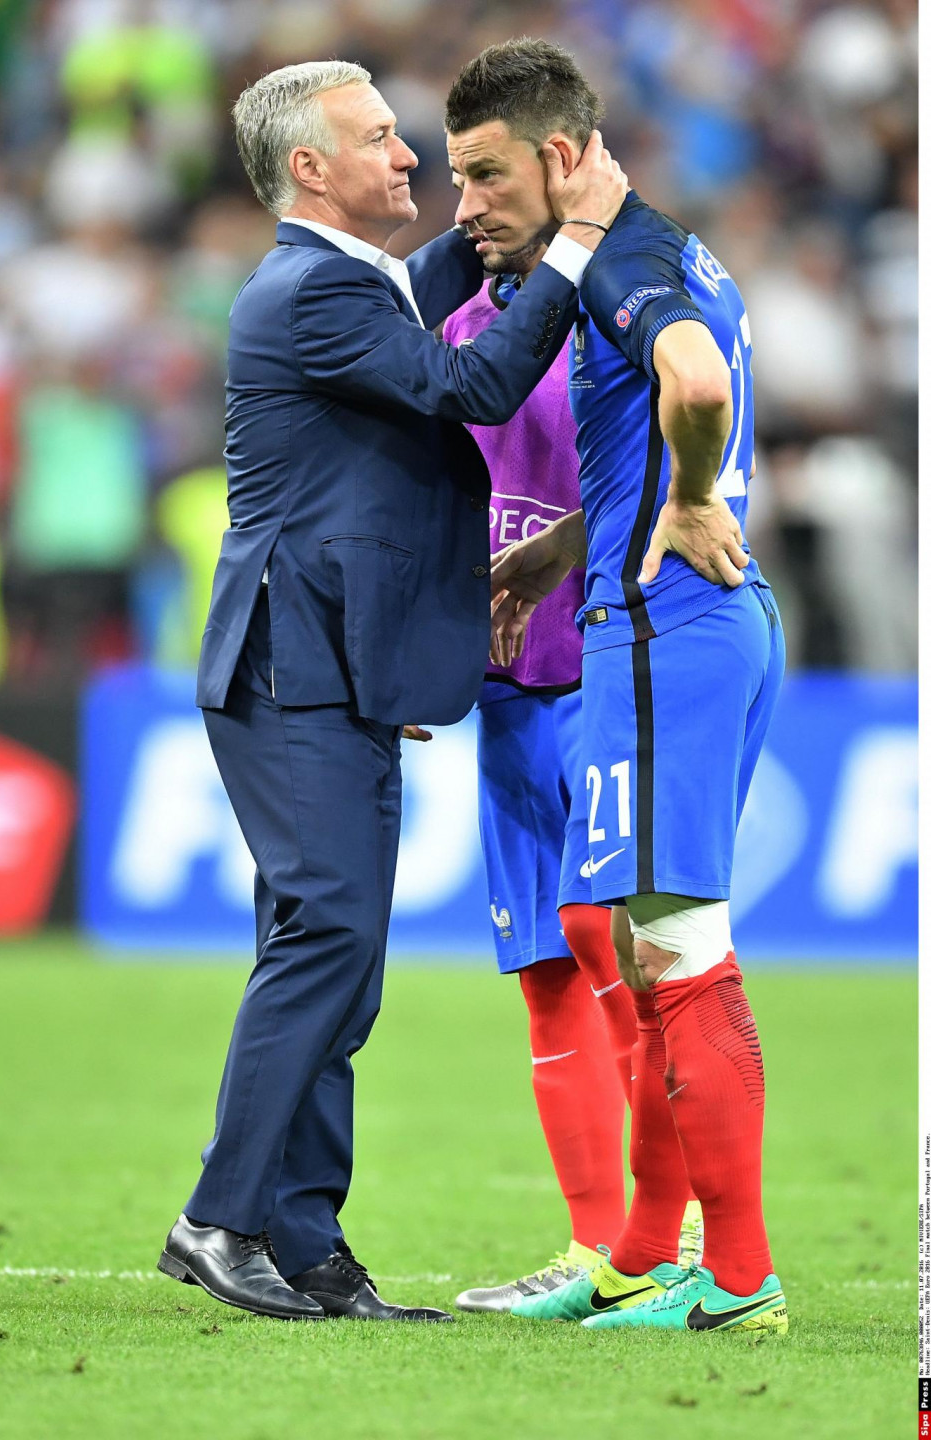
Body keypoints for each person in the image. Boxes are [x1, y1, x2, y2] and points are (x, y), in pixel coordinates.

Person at [156, 58, 628, 1324]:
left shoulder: (348, 283)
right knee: (327, 940)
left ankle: (306, 1244)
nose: (410, 154)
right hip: (291, 665)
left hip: (334, 668)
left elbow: (441, 282)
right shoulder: (313, 291)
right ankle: (220, 1218)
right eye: (380, 138)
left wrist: (523, 202)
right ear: (311, 169)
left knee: (335, 959)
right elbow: (474, 384)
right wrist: (580, 239)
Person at [459, 39, 788, 1335]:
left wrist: (691, 497)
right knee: (640, 953)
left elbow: (693, 384)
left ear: (559, 156)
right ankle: (644, 1255)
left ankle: (740, 1280)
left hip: (663, 629)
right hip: (687, 619)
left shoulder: (620, 264)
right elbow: (645, 429)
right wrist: (561, 547)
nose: (467, 204)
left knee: (680, 955)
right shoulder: (674, 250)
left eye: (485, 175)